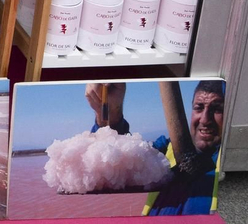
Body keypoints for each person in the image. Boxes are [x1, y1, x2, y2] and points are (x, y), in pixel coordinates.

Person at [84, 80, 224, 215]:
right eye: (199, 108)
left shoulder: (230, 163)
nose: (205, 119)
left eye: (217, 109)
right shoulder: (164, 149)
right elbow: (123, 162)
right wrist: (110, 111)